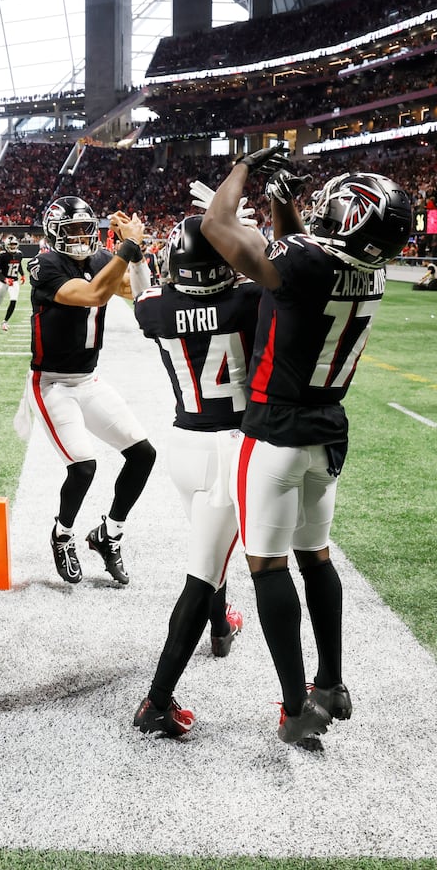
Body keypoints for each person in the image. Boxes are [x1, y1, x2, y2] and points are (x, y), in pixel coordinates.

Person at [198, 145, 412, 750]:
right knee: (315, 554)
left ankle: (295, 706)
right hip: (327, 431)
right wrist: (282, 202)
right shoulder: (368, 268)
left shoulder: (305, 263)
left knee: (267, 566)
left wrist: (243, 168)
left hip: (274, 431)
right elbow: (296, 264)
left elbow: (219, 227)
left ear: (350, 216)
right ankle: (332, 682)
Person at [130, 214, 258, 738]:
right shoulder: (250, 301)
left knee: (213, 549)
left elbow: (142, 296)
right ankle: (157, 701)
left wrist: (135, 252)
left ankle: (222, 626)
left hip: (182, 445)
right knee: (205, 567)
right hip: (229, 448)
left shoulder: (157, 308)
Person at [23, 196, 156, 586]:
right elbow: (95, 295)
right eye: (72, 231)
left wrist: (137, 254)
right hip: (51, 383)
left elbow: (140, 296)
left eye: (86, 229)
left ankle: (109, 534)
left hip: (87, 379)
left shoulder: (100, 261)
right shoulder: (45, 265)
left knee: (143, 454)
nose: (81, 237)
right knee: (83, 466)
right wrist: (126, 246)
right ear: (53, 234)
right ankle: (62, 535)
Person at [0, 235, 26, 331]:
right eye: (11, 244)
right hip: (3, 282)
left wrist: (22, 275)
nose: (13, 246)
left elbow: (19, 265)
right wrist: (5, 279)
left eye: (14, 244)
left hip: (14, 281)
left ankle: (5, 321)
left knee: (13, 300)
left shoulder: (19, 254)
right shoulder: (2, 256)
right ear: (6, 245)